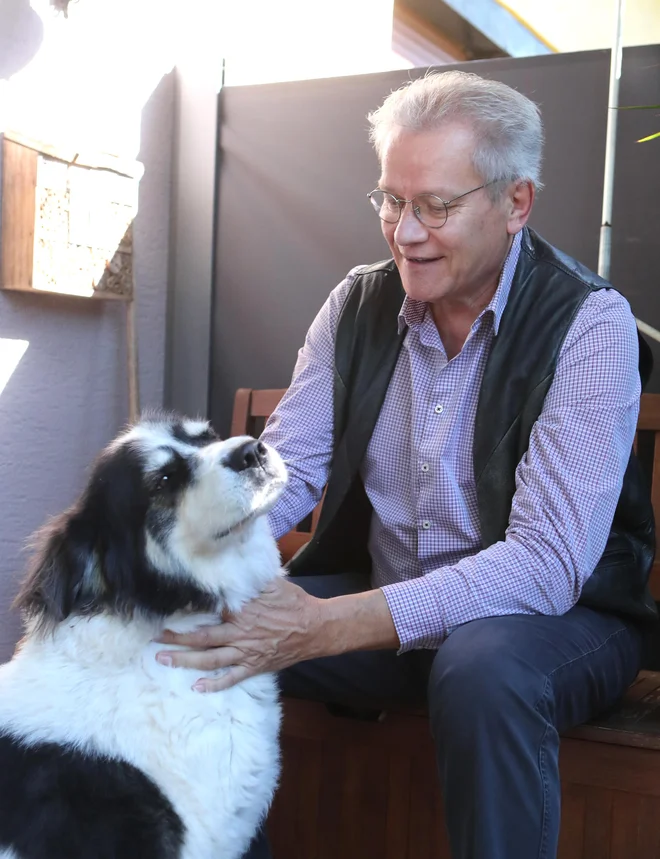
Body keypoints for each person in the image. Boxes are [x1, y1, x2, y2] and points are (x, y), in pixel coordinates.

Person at [155, 70, 657, 859]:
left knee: (483, 668)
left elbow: (547, 565)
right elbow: (286, 466)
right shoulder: (356, 305)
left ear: (515, 202)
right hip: (389, 607)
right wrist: (169, 542)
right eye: (391, 199)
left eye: (436, 205)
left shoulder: (591, 325)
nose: (404, 231)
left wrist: (324, 624)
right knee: (187, 637)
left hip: (558, 625)